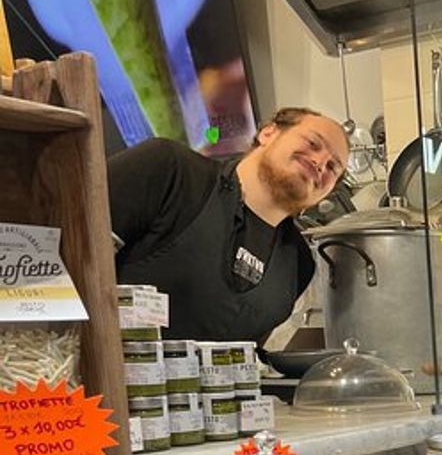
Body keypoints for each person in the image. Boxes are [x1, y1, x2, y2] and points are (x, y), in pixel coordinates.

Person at [108, 107, 349, 341]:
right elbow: (73, 258)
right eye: (312, 143)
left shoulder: (298, 265)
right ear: (269, 133)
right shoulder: (168, 169)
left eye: (332, 167)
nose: (320, 162)